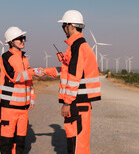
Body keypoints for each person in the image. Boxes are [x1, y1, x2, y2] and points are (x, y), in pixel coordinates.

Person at [38, 10, 101, 154]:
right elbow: (66, 71)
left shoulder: (78, 47)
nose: (63, 29)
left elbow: (73, 77)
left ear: (71, 26)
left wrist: (67, 102)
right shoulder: (77, 47)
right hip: (78, 102)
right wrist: (45, 71)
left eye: (64, 26)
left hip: (76, 103)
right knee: (75, 143)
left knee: (77, 146)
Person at [0, 26, 41, 154]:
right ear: (11, 42)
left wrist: (32, 98)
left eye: (23, 38)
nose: (23, 41)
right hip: (8, 108)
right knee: (6, 142)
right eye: (19, 39)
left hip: (23, 108)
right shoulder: (6, 57)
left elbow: (29, 81)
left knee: (20, 143)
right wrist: (33, 71)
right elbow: (14, 77)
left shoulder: (24, 58)